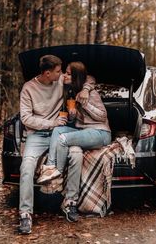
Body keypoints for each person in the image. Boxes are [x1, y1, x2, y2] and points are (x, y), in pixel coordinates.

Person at [19, 55, 93, 234]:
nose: (62, 75)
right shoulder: (28, 88)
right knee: (27, 166)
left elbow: (88, 78)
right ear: (47, 73)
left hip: (59, 134)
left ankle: (70, 203)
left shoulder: (60, 80)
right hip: (36, 135)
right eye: (58, 71)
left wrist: (86, 90)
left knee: (76, 154)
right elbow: (26, 118)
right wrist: (51, 123)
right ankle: (25, 214)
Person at [39, 61, 112, 222]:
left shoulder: (89, 94)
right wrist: (72, 114)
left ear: (77, 77)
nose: (64, 75)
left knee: (63, 139)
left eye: (68, 73)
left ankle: (55, 175)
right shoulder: (72, 91)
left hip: (100, 132)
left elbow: (102, 116)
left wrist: (84, 104)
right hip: (84, 131)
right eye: (64, 72)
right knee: (59, 132)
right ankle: (53, 174)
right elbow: (90, 79)